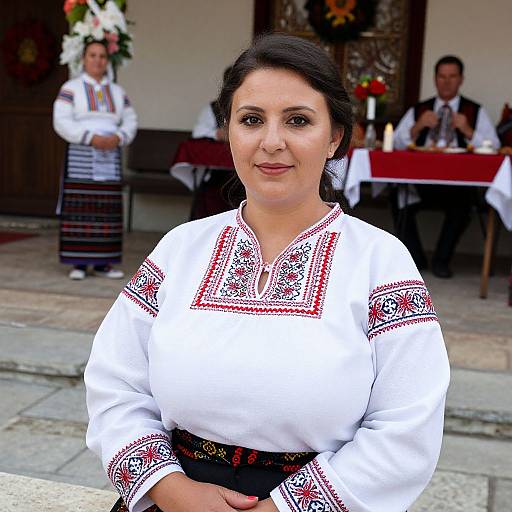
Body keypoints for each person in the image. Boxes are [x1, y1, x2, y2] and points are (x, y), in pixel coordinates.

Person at [85, 34, 449, 512]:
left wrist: (283, 508)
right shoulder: (181, 249)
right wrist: (173, 491)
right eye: (251, 119)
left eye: (298, 120)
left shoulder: (379, 261)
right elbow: (116, 382)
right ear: (229, 132)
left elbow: (408, 424)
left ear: (335, 136)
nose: (271, 142)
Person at [393, 55, 500, 278]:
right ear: (435, 79)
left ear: (460, 79)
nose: (446, 82)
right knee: (398, 197)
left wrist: (468, 130)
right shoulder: (420, 109)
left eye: (452, 77)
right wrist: (418, 126)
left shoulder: (474, 110)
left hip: (456, 184)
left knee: (462, 205)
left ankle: (441, 261)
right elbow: (394, 142)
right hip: (421, 183)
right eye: (442, 77)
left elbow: (494, 146)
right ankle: (416, 259)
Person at [53, 41, 137, 280]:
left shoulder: (118, 92)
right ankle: (78, 263)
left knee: (107, 208)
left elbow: (130, 120)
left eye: (102, 56)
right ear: (84, 58)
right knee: (80, 205)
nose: (98, 60)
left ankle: (104, 263)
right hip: (82, 153)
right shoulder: (71, 88)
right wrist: (90, 137)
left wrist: (119, 137)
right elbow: (61, 120)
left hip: (109, 155)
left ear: (107, 60)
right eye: (92, 55)